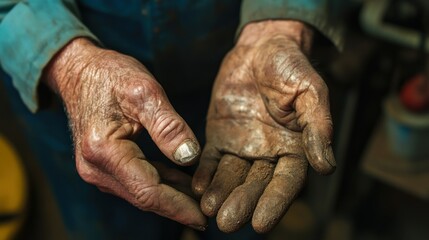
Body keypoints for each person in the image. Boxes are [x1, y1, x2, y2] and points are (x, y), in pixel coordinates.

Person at [0, 0, 346, 239]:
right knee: (113, 224)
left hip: (235, 58)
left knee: (241, 214)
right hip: (79, 83)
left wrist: (278, 25)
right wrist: (71, 67)